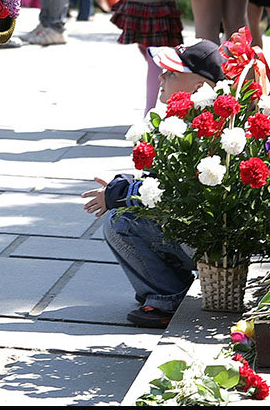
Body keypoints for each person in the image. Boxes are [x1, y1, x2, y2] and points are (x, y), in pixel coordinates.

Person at [82, 40, 226, 328]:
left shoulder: (200, 129)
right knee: (127, 210)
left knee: (119, 221)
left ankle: (167, 295)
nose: (160, 77)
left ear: (199, 87)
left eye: (171, 74)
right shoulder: (200, 119)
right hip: (210, 240)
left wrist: (117, 194)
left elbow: (166, 196)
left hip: (208, 243)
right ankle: (165, 282)